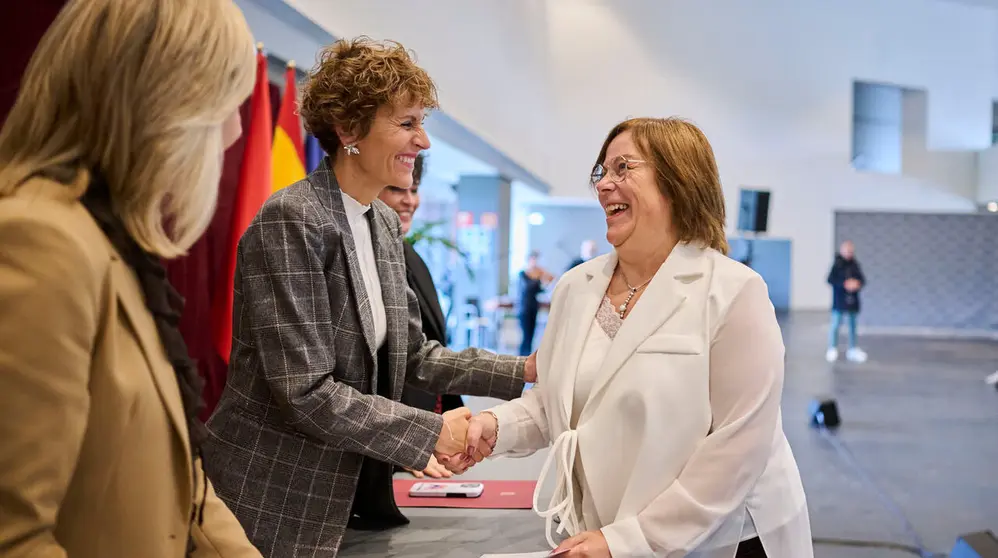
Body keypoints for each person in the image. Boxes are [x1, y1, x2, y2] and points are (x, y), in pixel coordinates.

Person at [203, 38, 535, 557]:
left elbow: (414, 355)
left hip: (351, 498)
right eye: (407, 123)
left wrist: (527, 370)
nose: (423, 141)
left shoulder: (380, 221)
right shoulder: (292, 220)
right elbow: (305, 392)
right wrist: (431, 431)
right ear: (349, 130)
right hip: (273, 498)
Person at [453, 118, 812, 558]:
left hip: (724, 537)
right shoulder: (575, 288)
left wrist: (634, 539)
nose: (604, 185)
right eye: (601, 171)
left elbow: (738, 446)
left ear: (678, 181)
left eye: (623, 168)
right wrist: (495, 427)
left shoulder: (733, 291)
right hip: (607, 527)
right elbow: (555, 403)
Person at [0, 1, 261, 556]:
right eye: (226, 107)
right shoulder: (41, 241)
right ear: (168, 107)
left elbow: (185, 491)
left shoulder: (115, 245)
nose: (236, 131)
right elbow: (14, 537)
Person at [379, 153, 464, 480]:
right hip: (384, 445)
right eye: (397, 189)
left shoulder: (410, 256)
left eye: (414, 190)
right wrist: (401, 443)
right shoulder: (353, 259)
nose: (410, 201)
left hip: (422, 439)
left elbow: (427, 349)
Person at [826, 240, 867, 363]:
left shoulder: (855, 264)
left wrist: (856, 284)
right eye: (847, 251)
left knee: (852, 326)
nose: (849, 253)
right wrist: (844, 284)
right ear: (842, 251)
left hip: (852, 301)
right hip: (839, 300)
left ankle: (852, 349)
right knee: (835, 324)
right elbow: (830, 280)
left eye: (851, 251)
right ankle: (832, 348)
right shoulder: (837, 265)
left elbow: (862, 280)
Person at [518, 251, 555, 356]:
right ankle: (522, 357)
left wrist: (547, 283)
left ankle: (527, 358)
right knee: (525, 337)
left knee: (531, 337)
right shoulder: (523, 274)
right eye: (534, 260)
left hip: (533, 309)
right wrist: (540, 277)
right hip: (524, 309)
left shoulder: (536, 275)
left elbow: (539, 290)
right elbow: (528, 287)